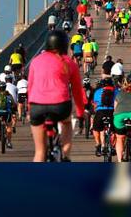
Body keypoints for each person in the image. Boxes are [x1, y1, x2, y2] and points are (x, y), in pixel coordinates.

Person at [27, 30, 86, 162]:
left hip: (37, 106)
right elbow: (77, 91)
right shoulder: (69, 63)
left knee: (40, 151)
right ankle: (65, 155)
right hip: (60, 105)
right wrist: (80, 114)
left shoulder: (35, 61)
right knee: (66, 123)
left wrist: (30, 109)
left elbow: (30, 87)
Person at [92, 78, 118, 156]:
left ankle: (98, 145)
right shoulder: (116, 91)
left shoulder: (97, 92)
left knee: (96, 128)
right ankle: (113, 147)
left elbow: (95, 104)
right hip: (112, 112)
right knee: (115, 130)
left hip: (100, 112)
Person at [0, 81, 15, 149]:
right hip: (7, 113)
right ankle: (9, 142)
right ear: (5, 87)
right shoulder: (8, 94)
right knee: (9, 126)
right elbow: (14, 104)